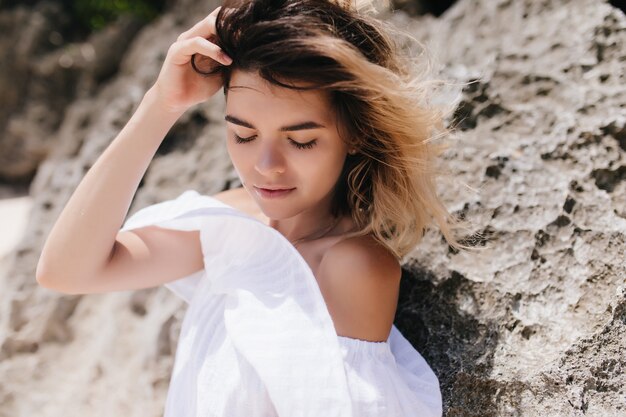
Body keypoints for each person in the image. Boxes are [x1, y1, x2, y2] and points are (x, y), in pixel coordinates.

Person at [37, 0, 463, 415]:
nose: (266, 167)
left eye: (301, 140)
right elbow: (66, 271)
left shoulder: (350, 266)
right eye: (243, 135)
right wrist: (162, 104)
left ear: (355, 134)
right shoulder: (232, 226)